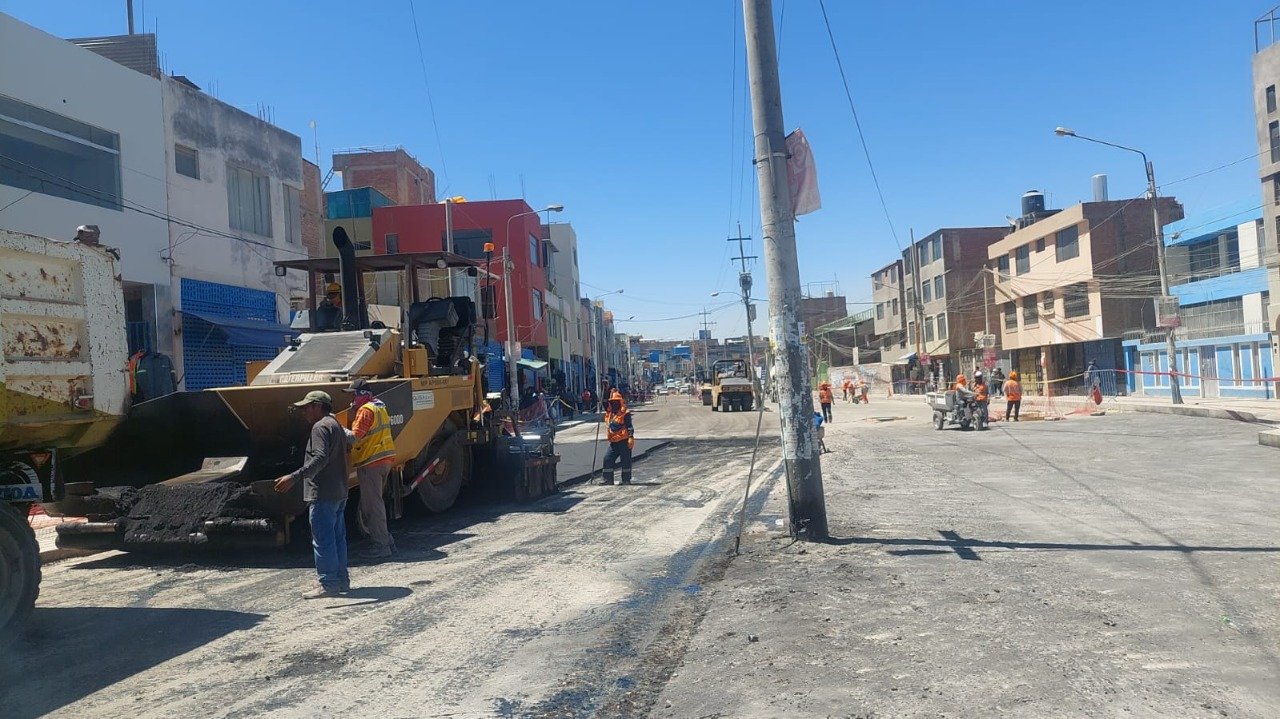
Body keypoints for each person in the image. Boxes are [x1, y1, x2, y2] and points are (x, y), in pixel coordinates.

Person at [274, 391, 351, 598]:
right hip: (339, 491)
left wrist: (294, 477)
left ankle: (328, 583)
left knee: (323, 540)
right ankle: (341, 580)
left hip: (323, 493)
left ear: (318, 406)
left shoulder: (319, 427)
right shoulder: (336, 425)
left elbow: (320, 458)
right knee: (337, 538)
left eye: (307, 407)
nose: (304, 412)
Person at [345, 378, 396, 560]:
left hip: (371, 462)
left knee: (372, 506)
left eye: (353, 395)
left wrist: (337, 427)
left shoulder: (365, 411)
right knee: (376, 503)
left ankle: (381, 546)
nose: (351, 399)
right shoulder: (379, 406)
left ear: (362, 395)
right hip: (384, 460)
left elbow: (355, 438)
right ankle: (386, 540)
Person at [601, 389, 635, 485]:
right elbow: (603, 402)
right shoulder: (610, 413)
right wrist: (605, 388)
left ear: (620, 402)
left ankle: (626, 480)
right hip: (614, 443)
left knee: (626, 461)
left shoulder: (625, 413)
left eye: (616, 402)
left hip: (624, 441)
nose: (614, 404)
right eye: (612, 402)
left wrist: (631, 436)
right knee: (607, 459)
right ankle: (608, 480)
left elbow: (629, 426)